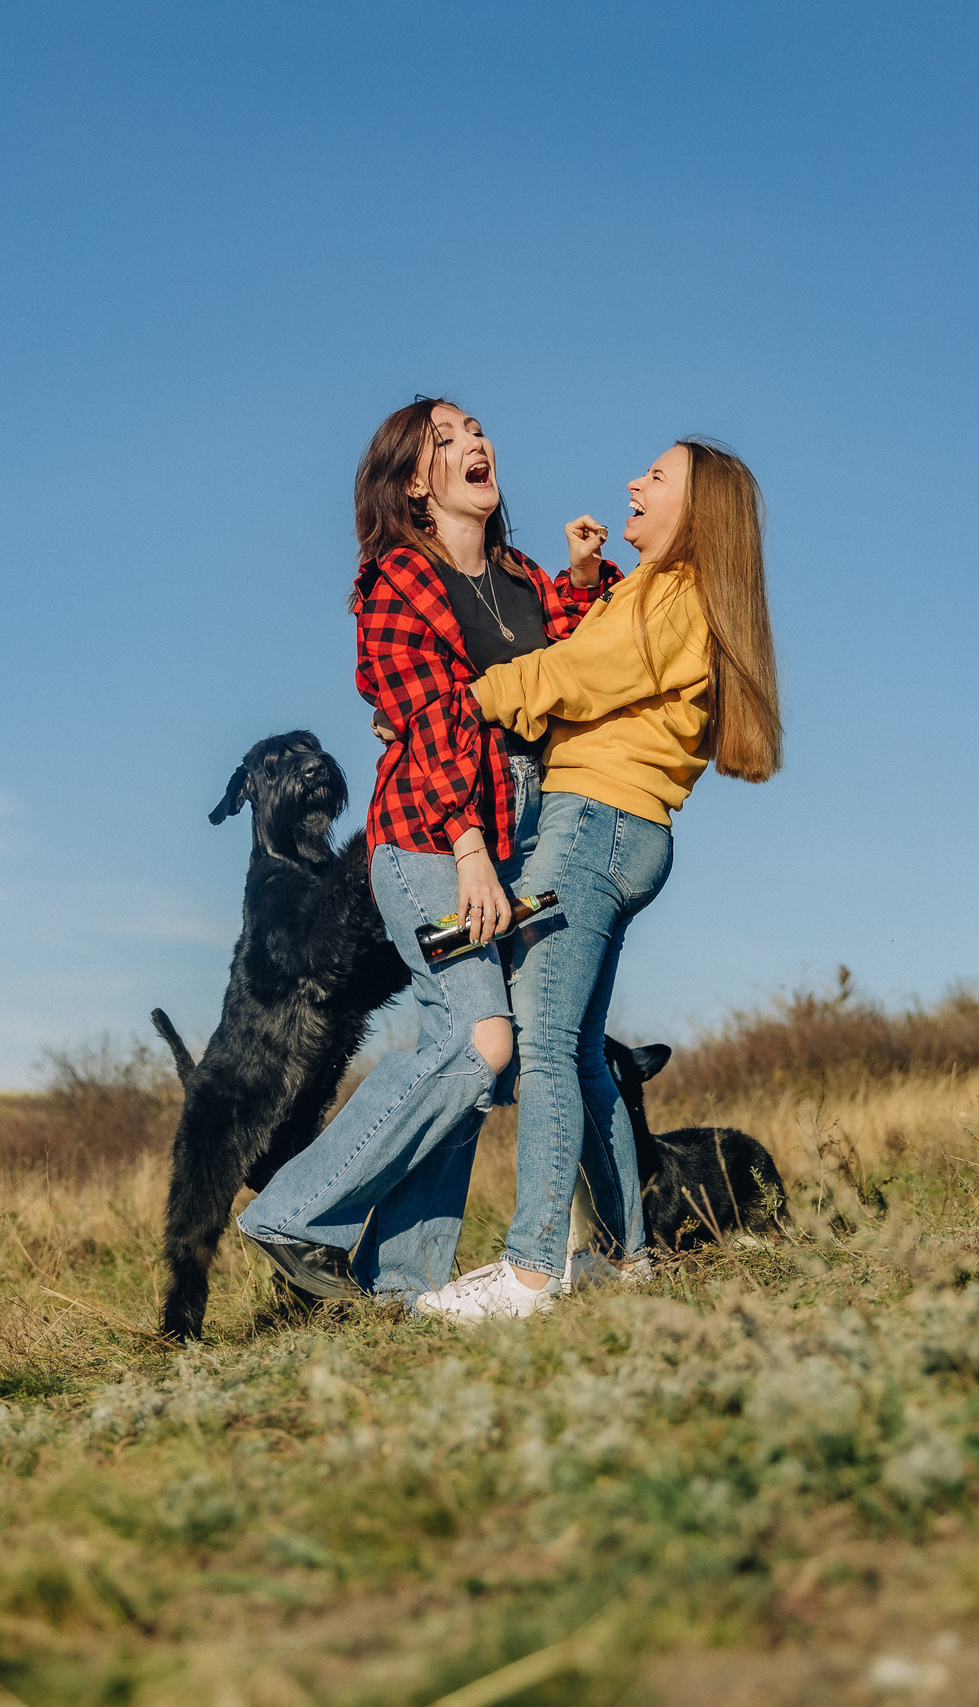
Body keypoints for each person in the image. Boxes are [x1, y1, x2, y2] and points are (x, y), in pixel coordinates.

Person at [234, 398, 617, 1301]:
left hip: (516, 828)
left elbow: (558, 656)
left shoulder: (520, 575)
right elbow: (428, 717)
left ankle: (397, 1281)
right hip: (431, 836)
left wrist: (585, 573)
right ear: (414, 481)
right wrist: (471, 842)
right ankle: (291, 1210)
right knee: (479, 1039)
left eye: (477, 429)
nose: (474, 442)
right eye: (446, 439)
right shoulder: (399, 583)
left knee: (482, 1058)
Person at [415, 437, 783, 1320]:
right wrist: (586, 574)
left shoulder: (675, 594)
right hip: (623, 827)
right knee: (581, 1056)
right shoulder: (655, 593)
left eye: (655, 477)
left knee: (540, 1042)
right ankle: (626, 1260)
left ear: (696, 514)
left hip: (592, 824)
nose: (633, 482)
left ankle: (532, 1270)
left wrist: (466, 700)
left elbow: (579, 675)